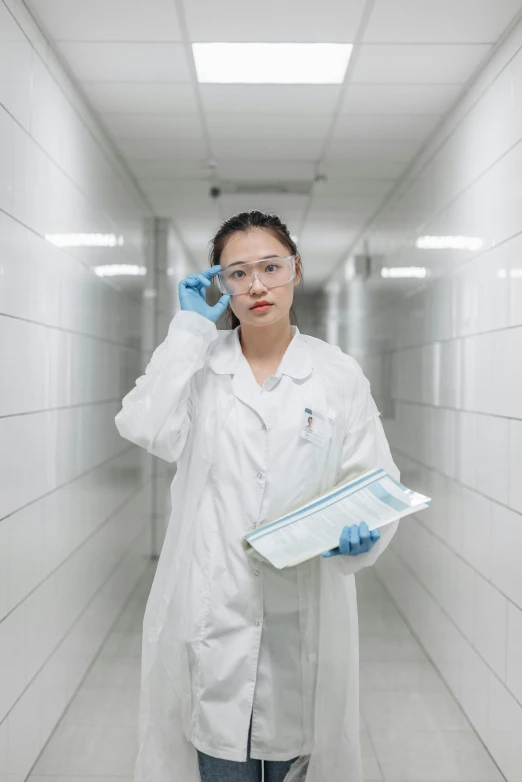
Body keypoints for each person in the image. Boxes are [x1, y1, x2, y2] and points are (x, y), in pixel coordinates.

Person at [115, 211, 399, 782]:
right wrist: (188, 333)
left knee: (297, 752)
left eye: (271, 267)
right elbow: (143, 425)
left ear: (296, 271)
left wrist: (359, 540)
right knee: (220, 757)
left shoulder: (336, 373)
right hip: (215, 612)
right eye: (237, 273)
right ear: (220, 285)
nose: (257, 286)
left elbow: (375, 480)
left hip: (303, 617)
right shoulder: (200, 368)